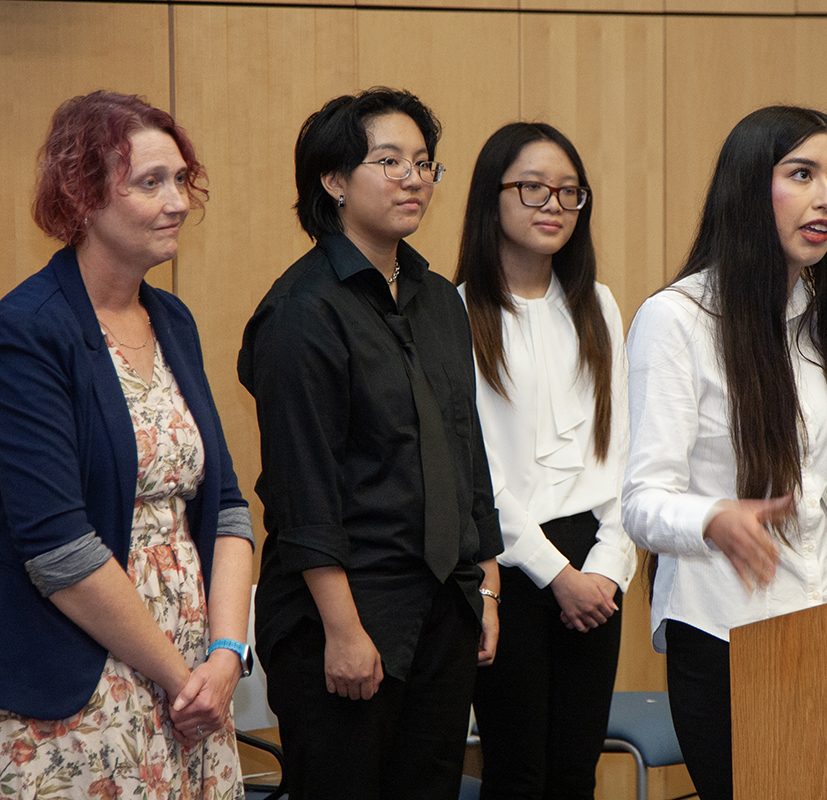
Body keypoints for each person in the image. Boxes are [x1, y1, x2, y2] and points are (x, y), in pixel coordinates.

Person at [622, 106, 827, 800]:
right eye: (803, 174)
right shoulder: (677, 319)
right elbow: (641, 502)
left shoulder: (816, 326)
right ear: (749, 188)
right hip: (727, 642)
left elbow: (812, 523)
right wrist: (713, 520)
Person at [238, 87, 503, 800]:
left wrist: (487, 584)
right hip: (348, 617)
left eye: (423, 163)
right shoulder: (301, 313)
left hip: (442, 608)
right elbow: (302, 492)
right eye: (389, 161)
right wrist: (344, 629)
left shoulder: (438, 296)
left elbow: (463, 447)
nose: (413, 178)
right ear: (334, 180)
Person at [0, 91, 253, 798]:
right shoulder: (26, 331)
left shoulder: (172, 318)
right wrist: (182, 677)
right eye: (151, 183)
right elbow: (57, 549)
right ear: (80, 196)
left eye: (180, 179)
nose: (177, 201)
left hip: (199, 679)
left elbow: (228, 507)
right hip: (88, 683)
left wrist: (227, 655)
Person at [454, 122, 636, 800]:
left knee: (574, 770)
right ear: (491, 198)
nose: (552, 203)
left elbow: (620, 451)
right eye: (532, 187)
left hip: (597, 561)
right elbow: (479, 474)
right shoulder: (458, 312)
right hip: (509, 562)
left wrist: (609, 569)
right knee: (517, 771)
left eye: (568, 191)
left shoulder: (598, 305)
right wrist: (557, 575)